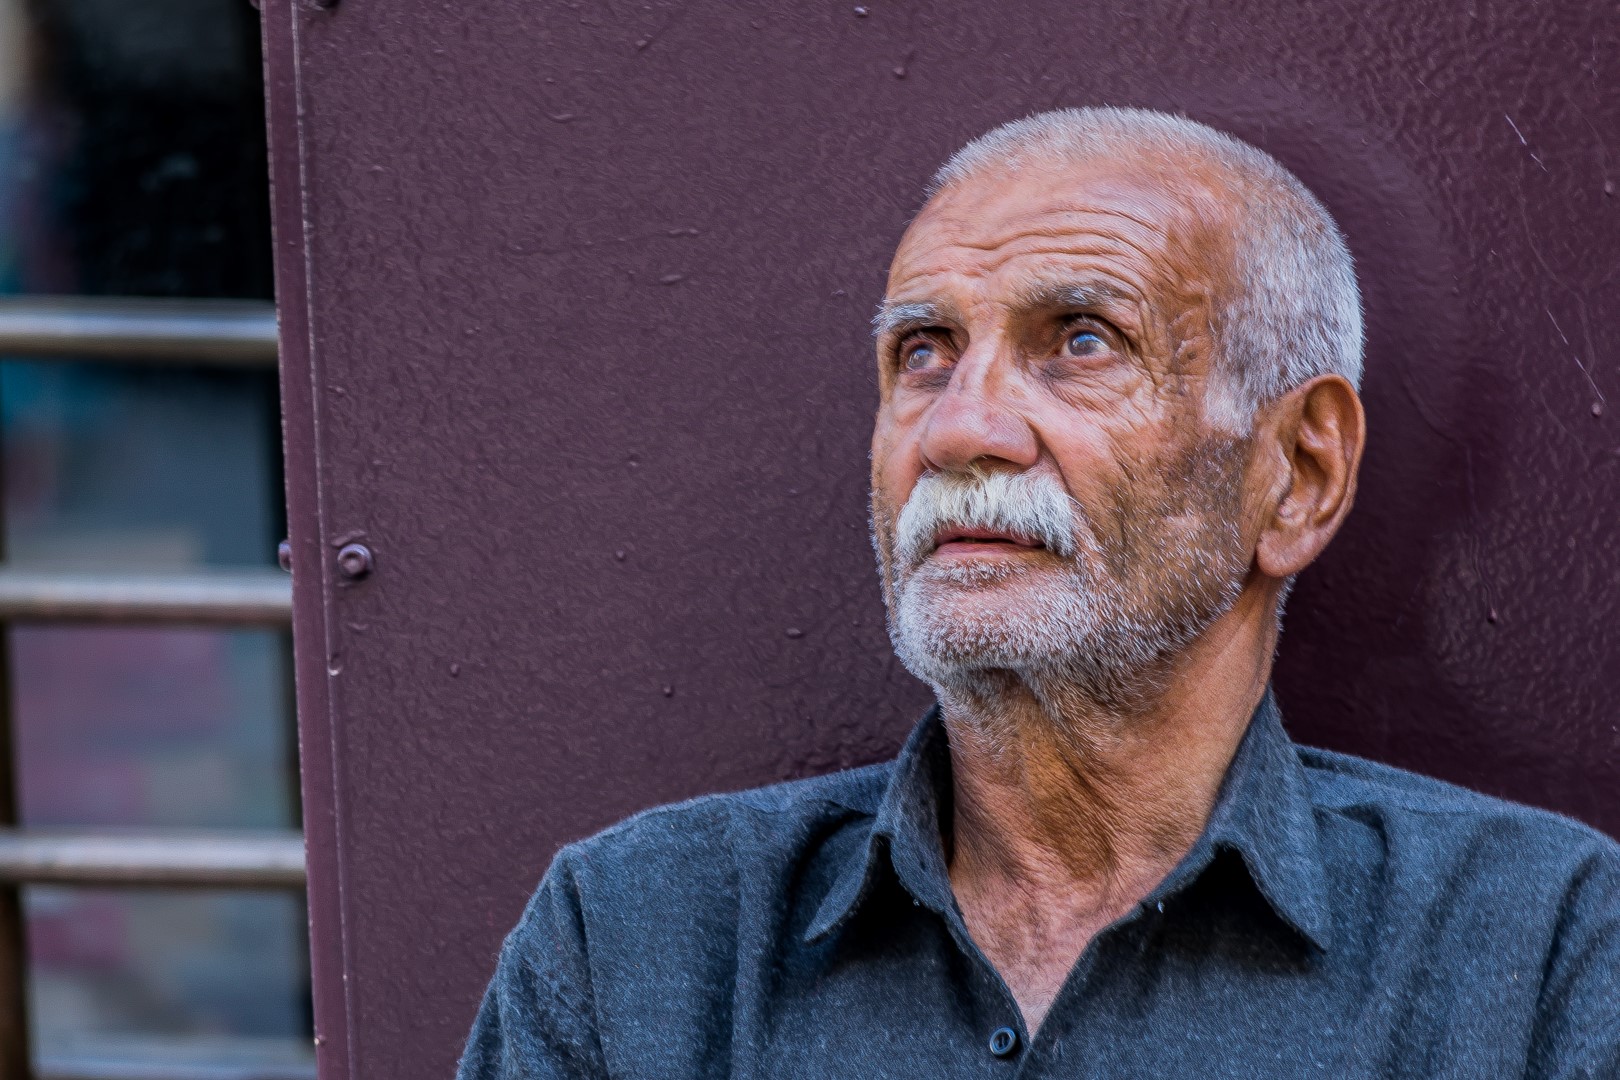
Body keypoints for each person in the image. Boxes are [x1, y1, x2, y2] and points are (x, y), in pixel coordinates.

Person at [456, 107, 1620, 1078]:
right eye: (923, 350)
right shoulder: (636, 940)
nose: (961, 426)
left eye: (1081, 339)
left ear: (1297, 475)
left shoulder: (1542, 951)